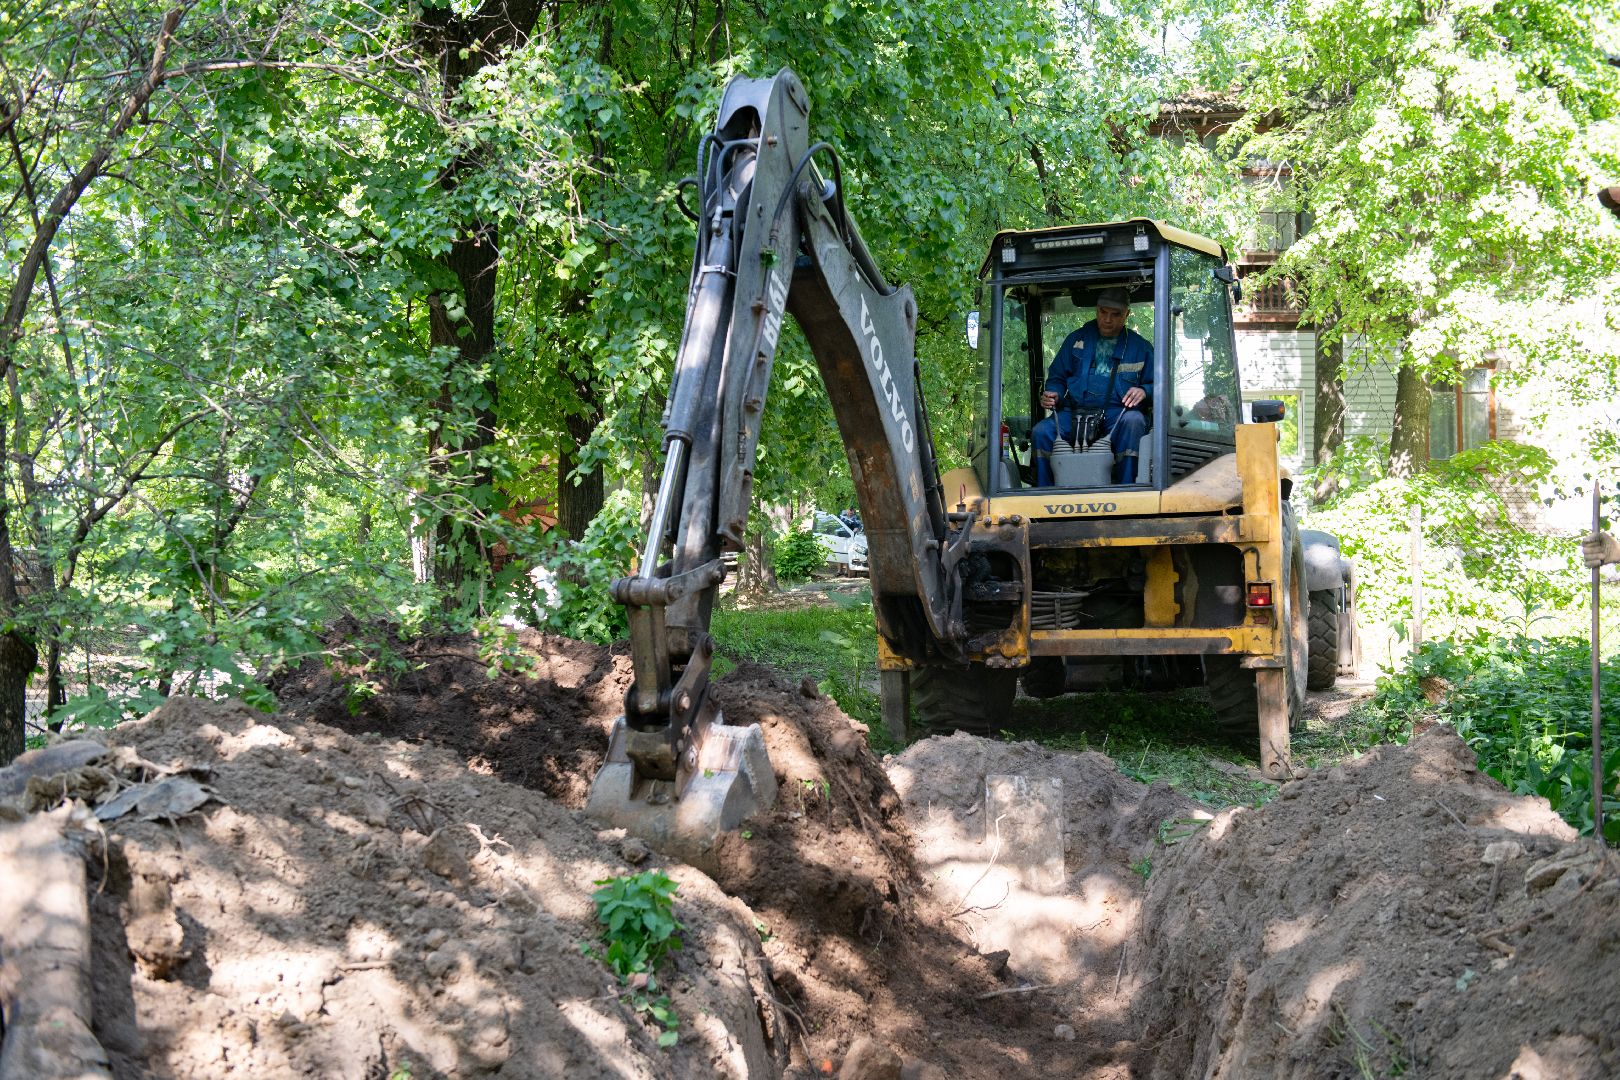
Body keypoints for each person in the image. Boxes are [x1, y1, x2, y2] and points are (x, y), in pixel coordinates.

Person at [1031, 288, 1153, 486]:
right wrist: (1054, 394)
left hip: (1117, 414)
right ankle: (1043, 495)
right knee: (1041, 432)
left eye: (1115, 315)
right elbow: (1057, 377)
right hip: (1074, 412)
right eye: (1103, 312)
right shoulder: (1075, 340)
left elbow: (1159, 386)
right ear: (1096, 310)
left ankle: (1128, 491)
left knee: (1134, 421)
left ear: (1127, 314)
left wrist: (1145, 391)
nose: (1107, 319)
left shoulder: (1141, 347)